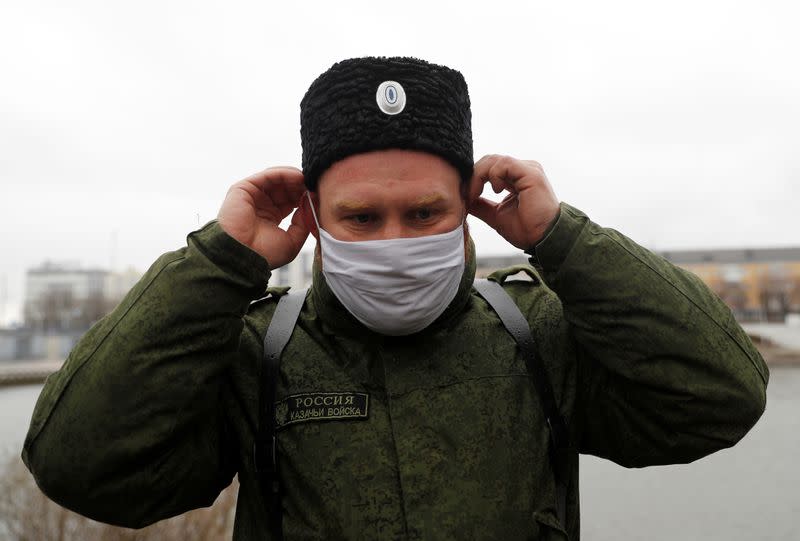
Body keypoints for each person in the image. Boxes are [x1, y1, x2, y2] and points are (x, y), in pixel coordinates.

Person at [23, 57, 768, 540]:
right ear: (314, 216)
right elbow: (81, 466)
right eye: (359, 216)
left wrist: (561, 239)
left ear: (468, 207)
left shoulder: (535, 333)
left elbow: (720, 395)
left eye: (423, 214)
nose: (392, 241)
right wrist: (220, 262)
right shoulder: (260, 353)